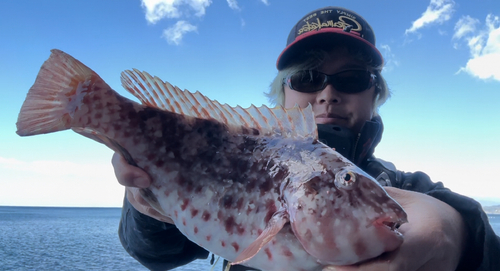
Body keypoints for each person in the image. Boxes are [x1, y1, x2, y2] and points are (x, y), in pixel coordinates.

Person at [115, 6, 500, 271]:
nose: (328, 93)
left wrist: (457, 233)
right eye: (308, 78)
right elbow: (156, 255)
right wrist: (147, 201)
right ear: (282, 94)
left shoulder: (406, 190)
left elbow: (482, 247)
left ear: (375, 96)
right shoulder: (224, 157)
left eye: (351, 79)